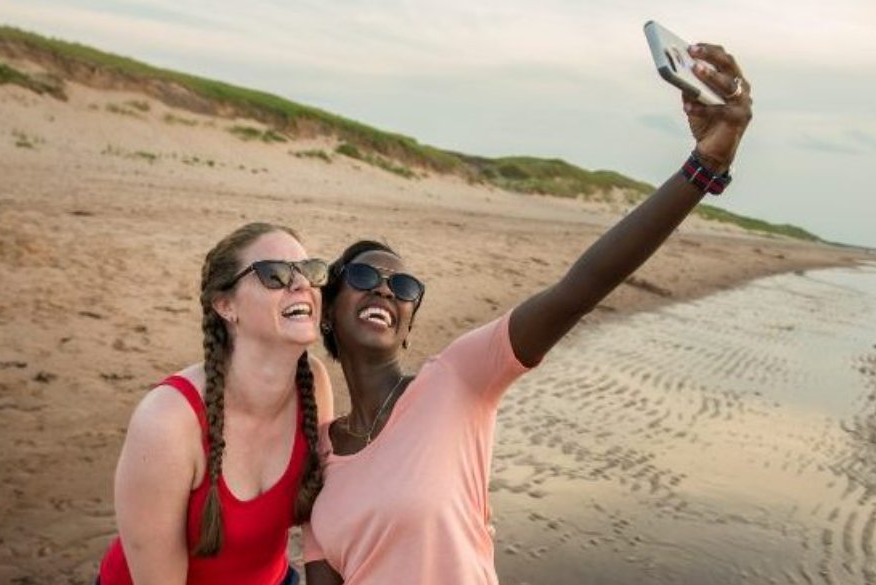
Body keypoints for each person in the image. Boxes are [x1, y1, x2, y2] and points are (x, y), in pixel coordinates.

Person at [303, 42, 753, 584]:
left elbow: (579, 289)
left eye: (402, 285)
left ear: (408, 325)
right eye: (362, 277)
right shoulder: (319, 453)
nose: (383, 290)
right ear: (327, 313)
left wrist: (704, 167)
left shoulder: (458, 381)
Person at [96, 222, 334, 585]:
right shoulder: (168, 421)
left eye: (310, 270)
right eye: (275, 275)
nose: (301, 284)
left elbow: (324, 522)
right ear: (225, 305)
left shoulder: (313, 385)